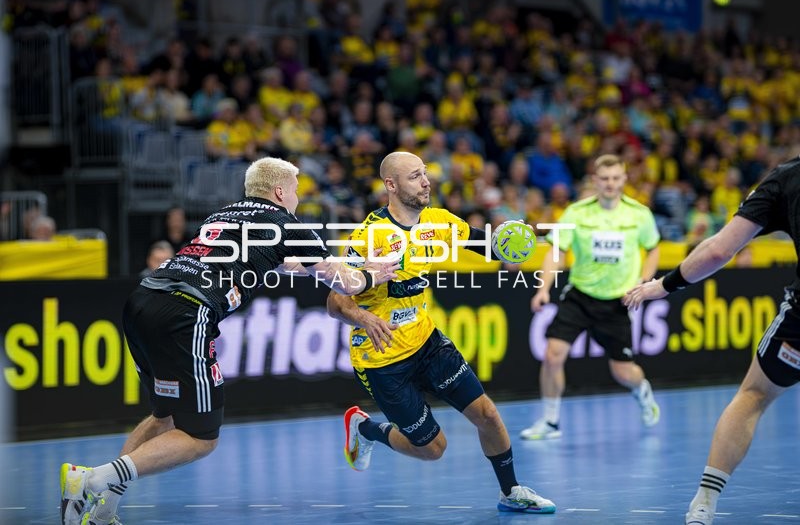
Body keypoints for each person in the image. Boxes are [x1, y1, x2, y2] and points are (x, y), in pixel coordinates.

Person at [60, 157, 400, 525]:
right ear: (280, 191)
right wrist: (371, 276)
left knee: (166, 417)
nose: (299, 198)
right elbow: (342, 284)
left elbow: (288, 264)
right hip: (185, 314)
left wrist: (350, 270)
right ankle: (92, 479)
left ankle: (103, 509)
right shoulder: (287, 224)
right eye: (297, 190)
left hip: (144, 300)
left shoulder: (226, 215)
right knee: (201, 437)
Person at [326, 151, 556, 514]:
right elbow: (335, 302)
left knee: (487, 414)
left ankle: (511, 492)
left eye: (425, 174)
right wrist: (366, 319)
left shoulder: (439, 221)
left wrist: (515, 238)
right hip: (381, 357)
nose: (426, 181)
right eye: (415, 176)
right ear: (391, 185)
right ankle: (366, 429)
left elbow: (488, 245)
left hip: (426, 341)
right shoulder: (369, 236)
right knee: (433, 449)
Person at [623, 155, 800, 525]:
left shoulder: (787, 177)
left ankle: (704, 503)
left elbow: (720, 249)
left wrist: (663, 285)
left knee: (754, 395)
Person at [521, 154, 661, 440]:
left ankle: (642, 389)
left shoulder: (639, 215)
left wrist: (643, 282)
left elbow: (653, 248)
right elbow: (556, 251)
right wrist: (543, 288)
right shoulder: (576, 213)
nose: (610, 184)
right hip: (580, 296)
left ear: (623, 179)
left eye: (615, 178)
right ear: (595, 181)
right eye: (605, 179)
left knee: (624, 373)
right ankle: (550, 421)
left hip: (617, 302)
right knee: (552, 355)